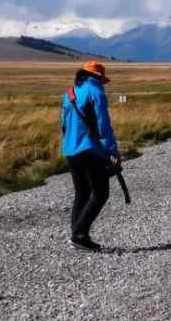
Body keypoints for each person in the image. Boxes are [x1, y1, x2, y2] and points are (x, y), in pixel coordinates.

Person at [61, 60, 121, 251]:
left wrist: (69, 142)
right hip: (90, 150)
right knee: (101, 193)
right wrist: (112, 151)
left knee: (82, 193)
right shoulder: (96, 92)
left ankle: (77, 235)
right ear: (98, 77)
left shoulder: (70, 92)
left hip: (70, 149)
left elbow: (64, 123)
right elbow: (104, 126)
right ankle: (79, 235)